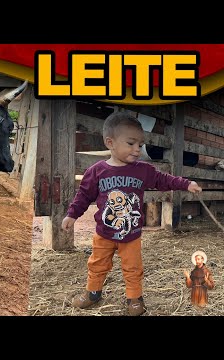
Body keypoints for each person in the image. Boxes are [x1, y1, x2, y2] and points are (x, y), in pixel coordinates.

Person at [61, 111, 202, 316]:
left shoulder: (142, 170)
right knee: (97, 263)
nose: (137, 149)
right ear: (110, 142)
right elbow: (83, 195)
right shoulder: (96, 171)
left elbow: (164, 179)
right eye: (131, 143)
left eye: (140, 144)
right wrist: (72, 214)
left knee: (133, 267)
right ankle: (93, 292)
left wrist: (187, 184)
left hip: (131, 234)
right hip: (104, 233)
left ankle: (135, 297)